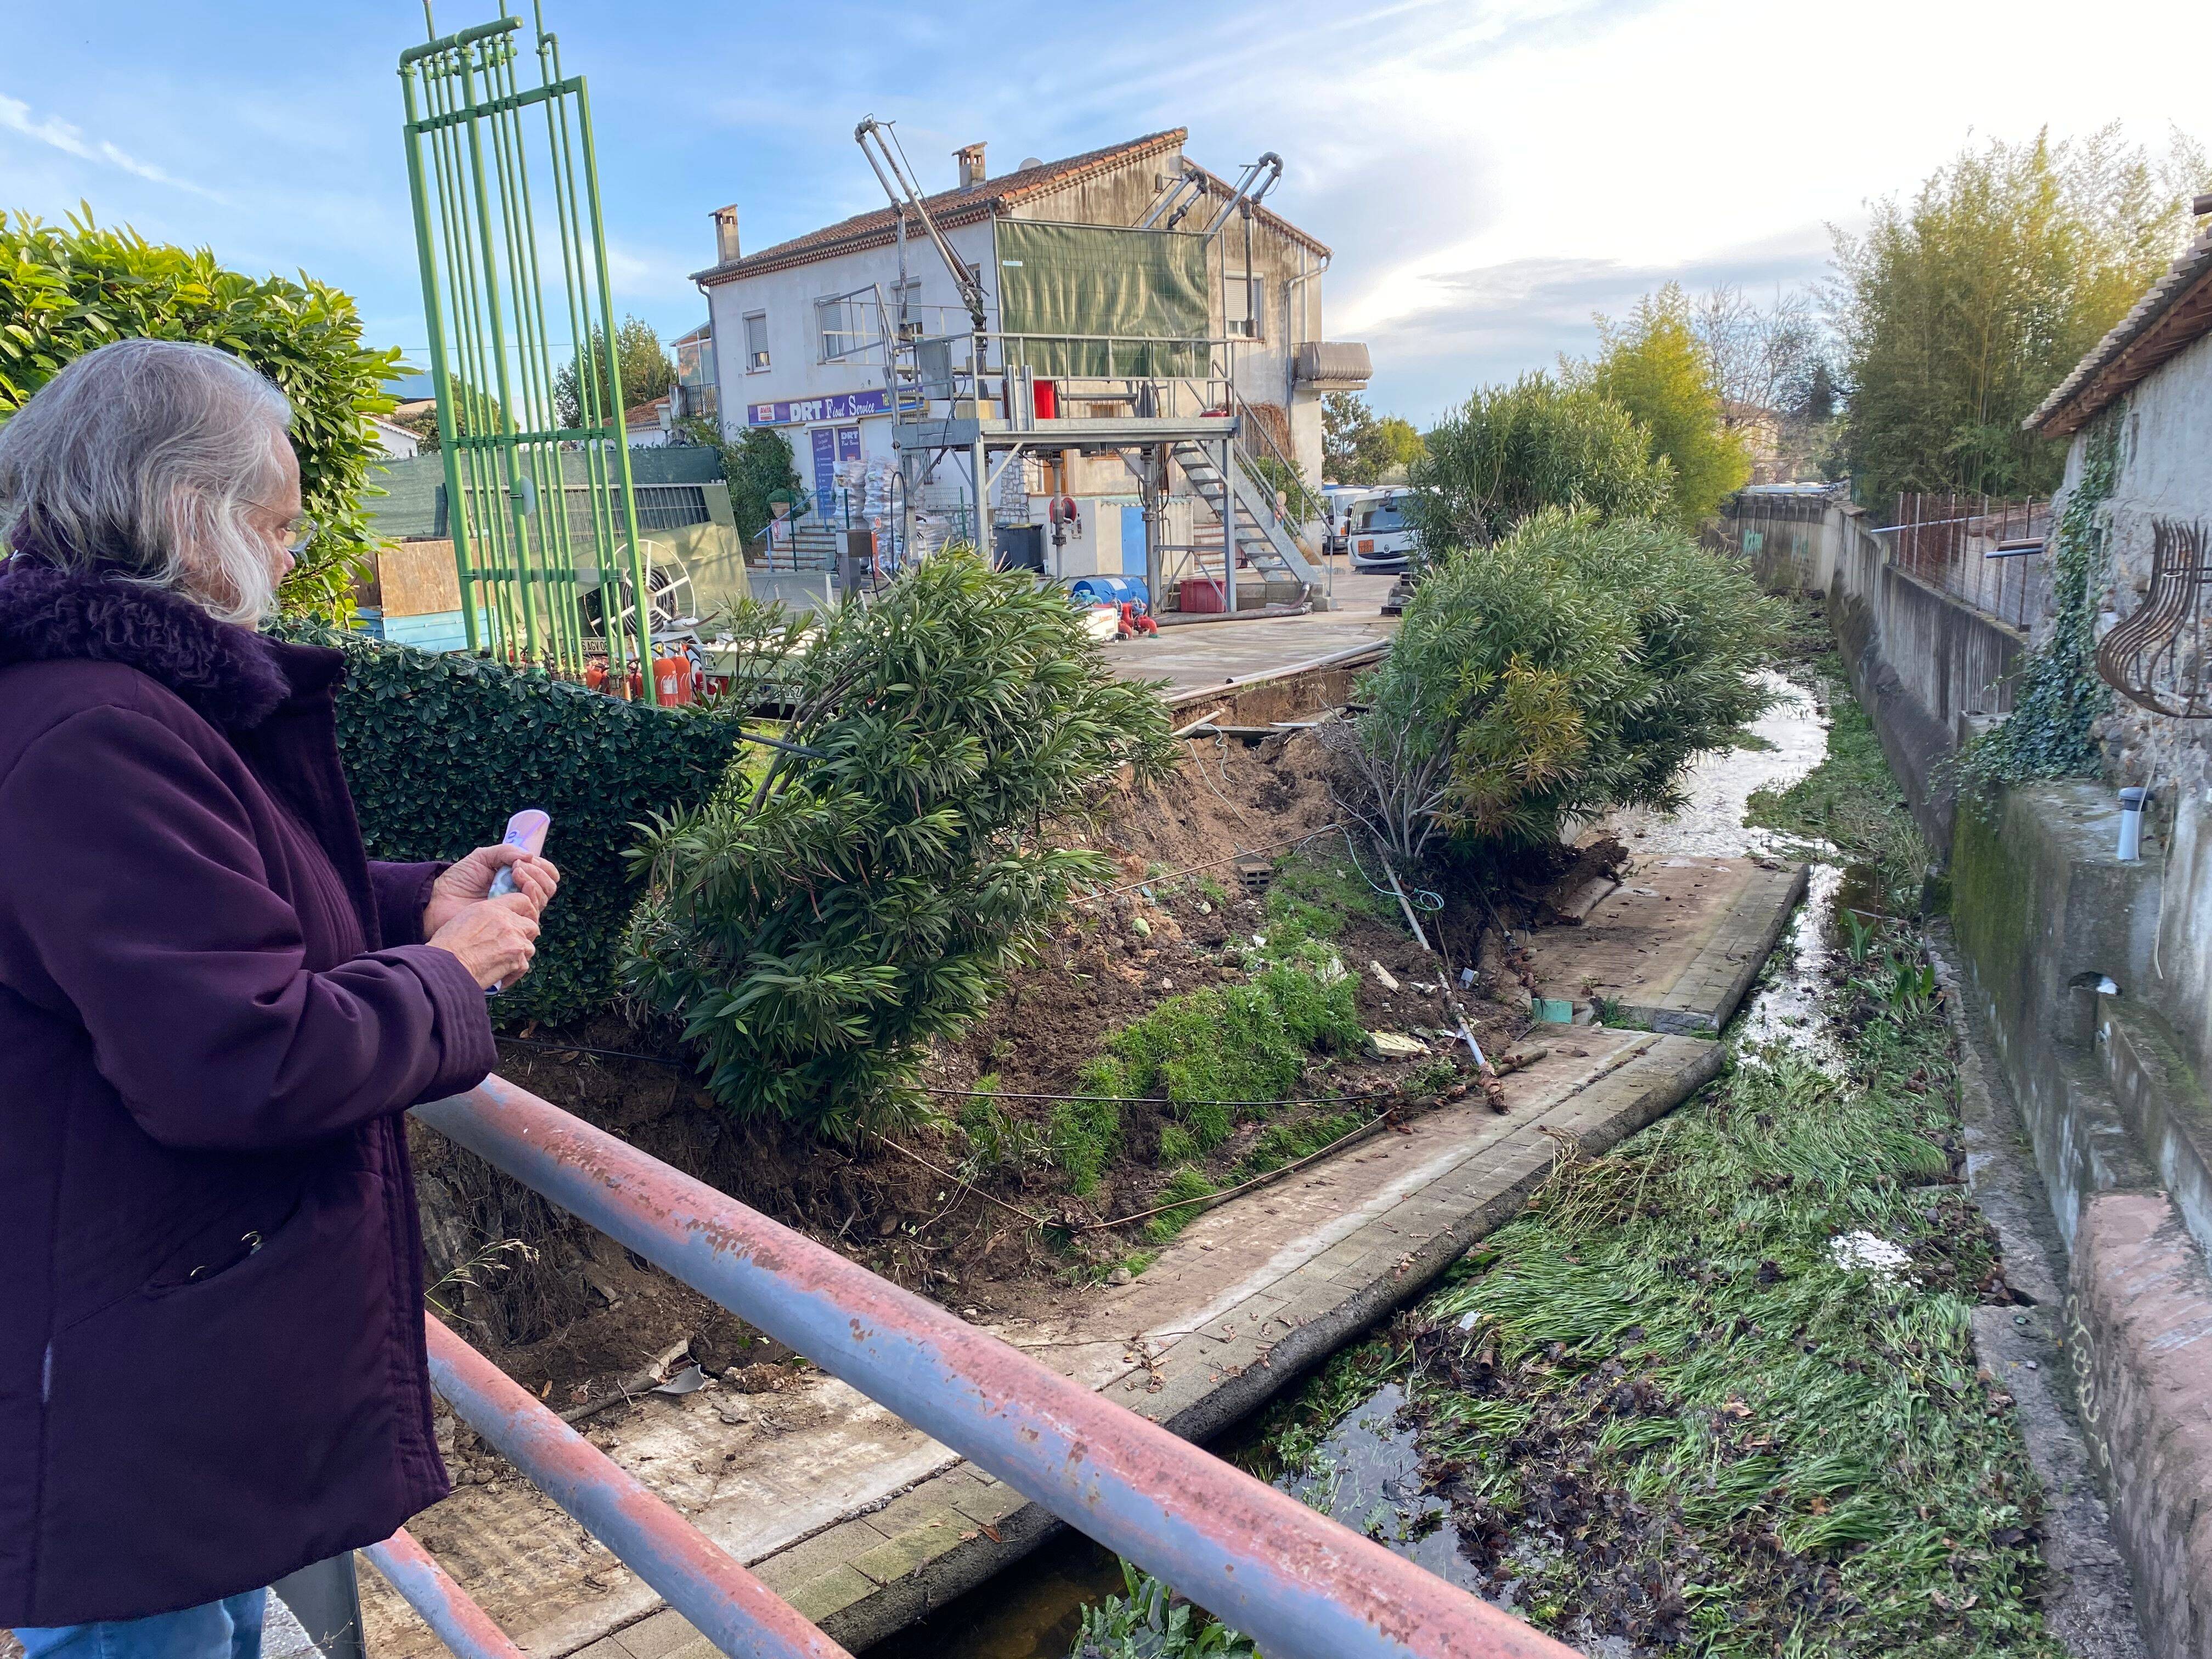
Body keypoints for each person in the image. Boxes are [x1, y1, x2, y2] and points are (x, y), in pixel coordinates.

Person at [0, 338, 559, 1652]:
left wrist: (411, 900)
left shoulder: (96, 699)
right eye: (280, 520)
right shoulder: (97, 730)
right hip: (139, 1384)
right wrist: (449, 971)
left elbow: (213, 905)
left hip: (146, 1337)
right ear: (190, 516)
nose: (295, 556)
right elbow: (233, 1058)